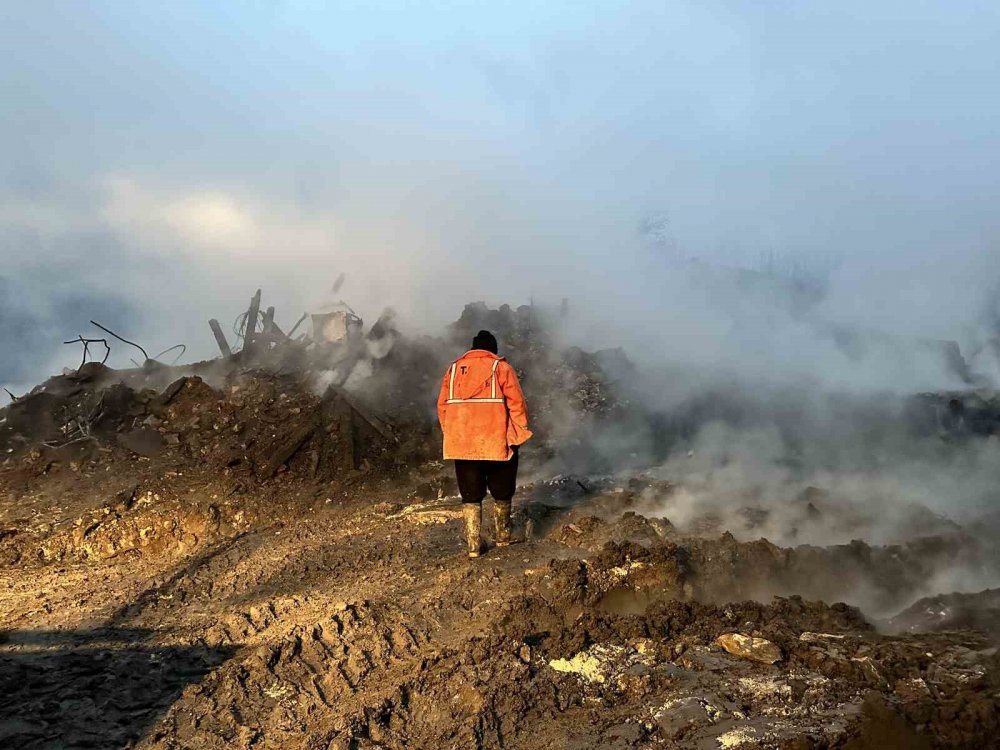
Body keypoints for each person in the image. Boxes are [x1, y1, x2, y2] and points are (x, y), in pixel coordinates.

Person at [437, 330, 533, 558]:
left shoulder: (452, 370)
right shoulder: (500, 367)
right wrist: (517, 434)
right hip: (495, 440)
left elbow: (442, 407)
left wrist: (453, 434)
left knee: (470, 494)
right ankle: (503, 537)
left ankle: (473, 546)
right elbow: (517, 404)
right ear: (493, 349)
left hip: (463, 444)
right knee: (502, 490)